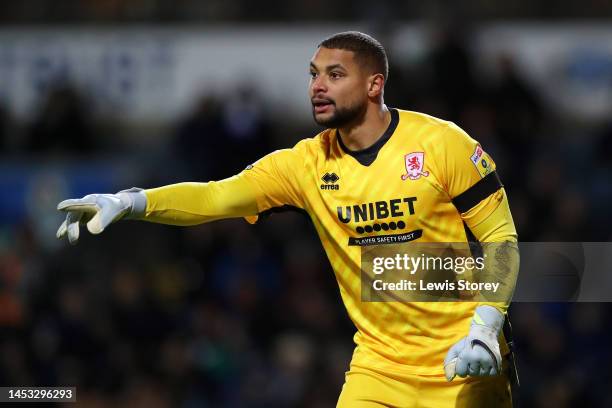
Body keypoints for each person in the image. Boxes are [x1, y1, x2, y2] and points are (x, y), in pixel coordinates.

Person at [57, 31, 519, 407]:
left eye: (335, 75)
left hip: (465, 361)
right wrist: (133, 202)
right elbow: (218, 197)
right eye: (314, 74)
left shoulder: (442, 144)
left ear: (374, 85)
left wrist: (485, 329)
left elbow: (501, 237)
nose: (317, 85)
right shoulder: (305, 164)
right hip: (379, 369)